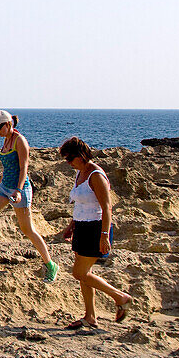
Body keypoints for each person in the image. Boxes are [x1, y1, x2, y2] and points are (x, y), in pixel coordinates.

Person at [0, 110, 59, 282]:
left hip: (19, 189)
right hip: (5, 187)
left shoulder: (20, 141)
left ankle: (50, 265)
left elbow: (24, 167)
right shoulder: (6, 139)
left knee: (28, 230)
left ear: (8, 124)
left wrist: (18, 191)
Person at [59, 137, 133, 329]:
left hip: (95, 228)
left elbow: (107, 208)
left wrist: (105, 235)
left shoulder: (96, 175)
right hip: (81, 227)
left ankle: (120, 297)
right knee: (85, 275)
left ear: (81, 155)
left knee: (79, 273)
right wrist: (71, 225)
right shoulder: (80, 173)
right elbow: (81, 204)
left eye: (70, 159)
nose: (68, 164)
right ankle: (90, 316)